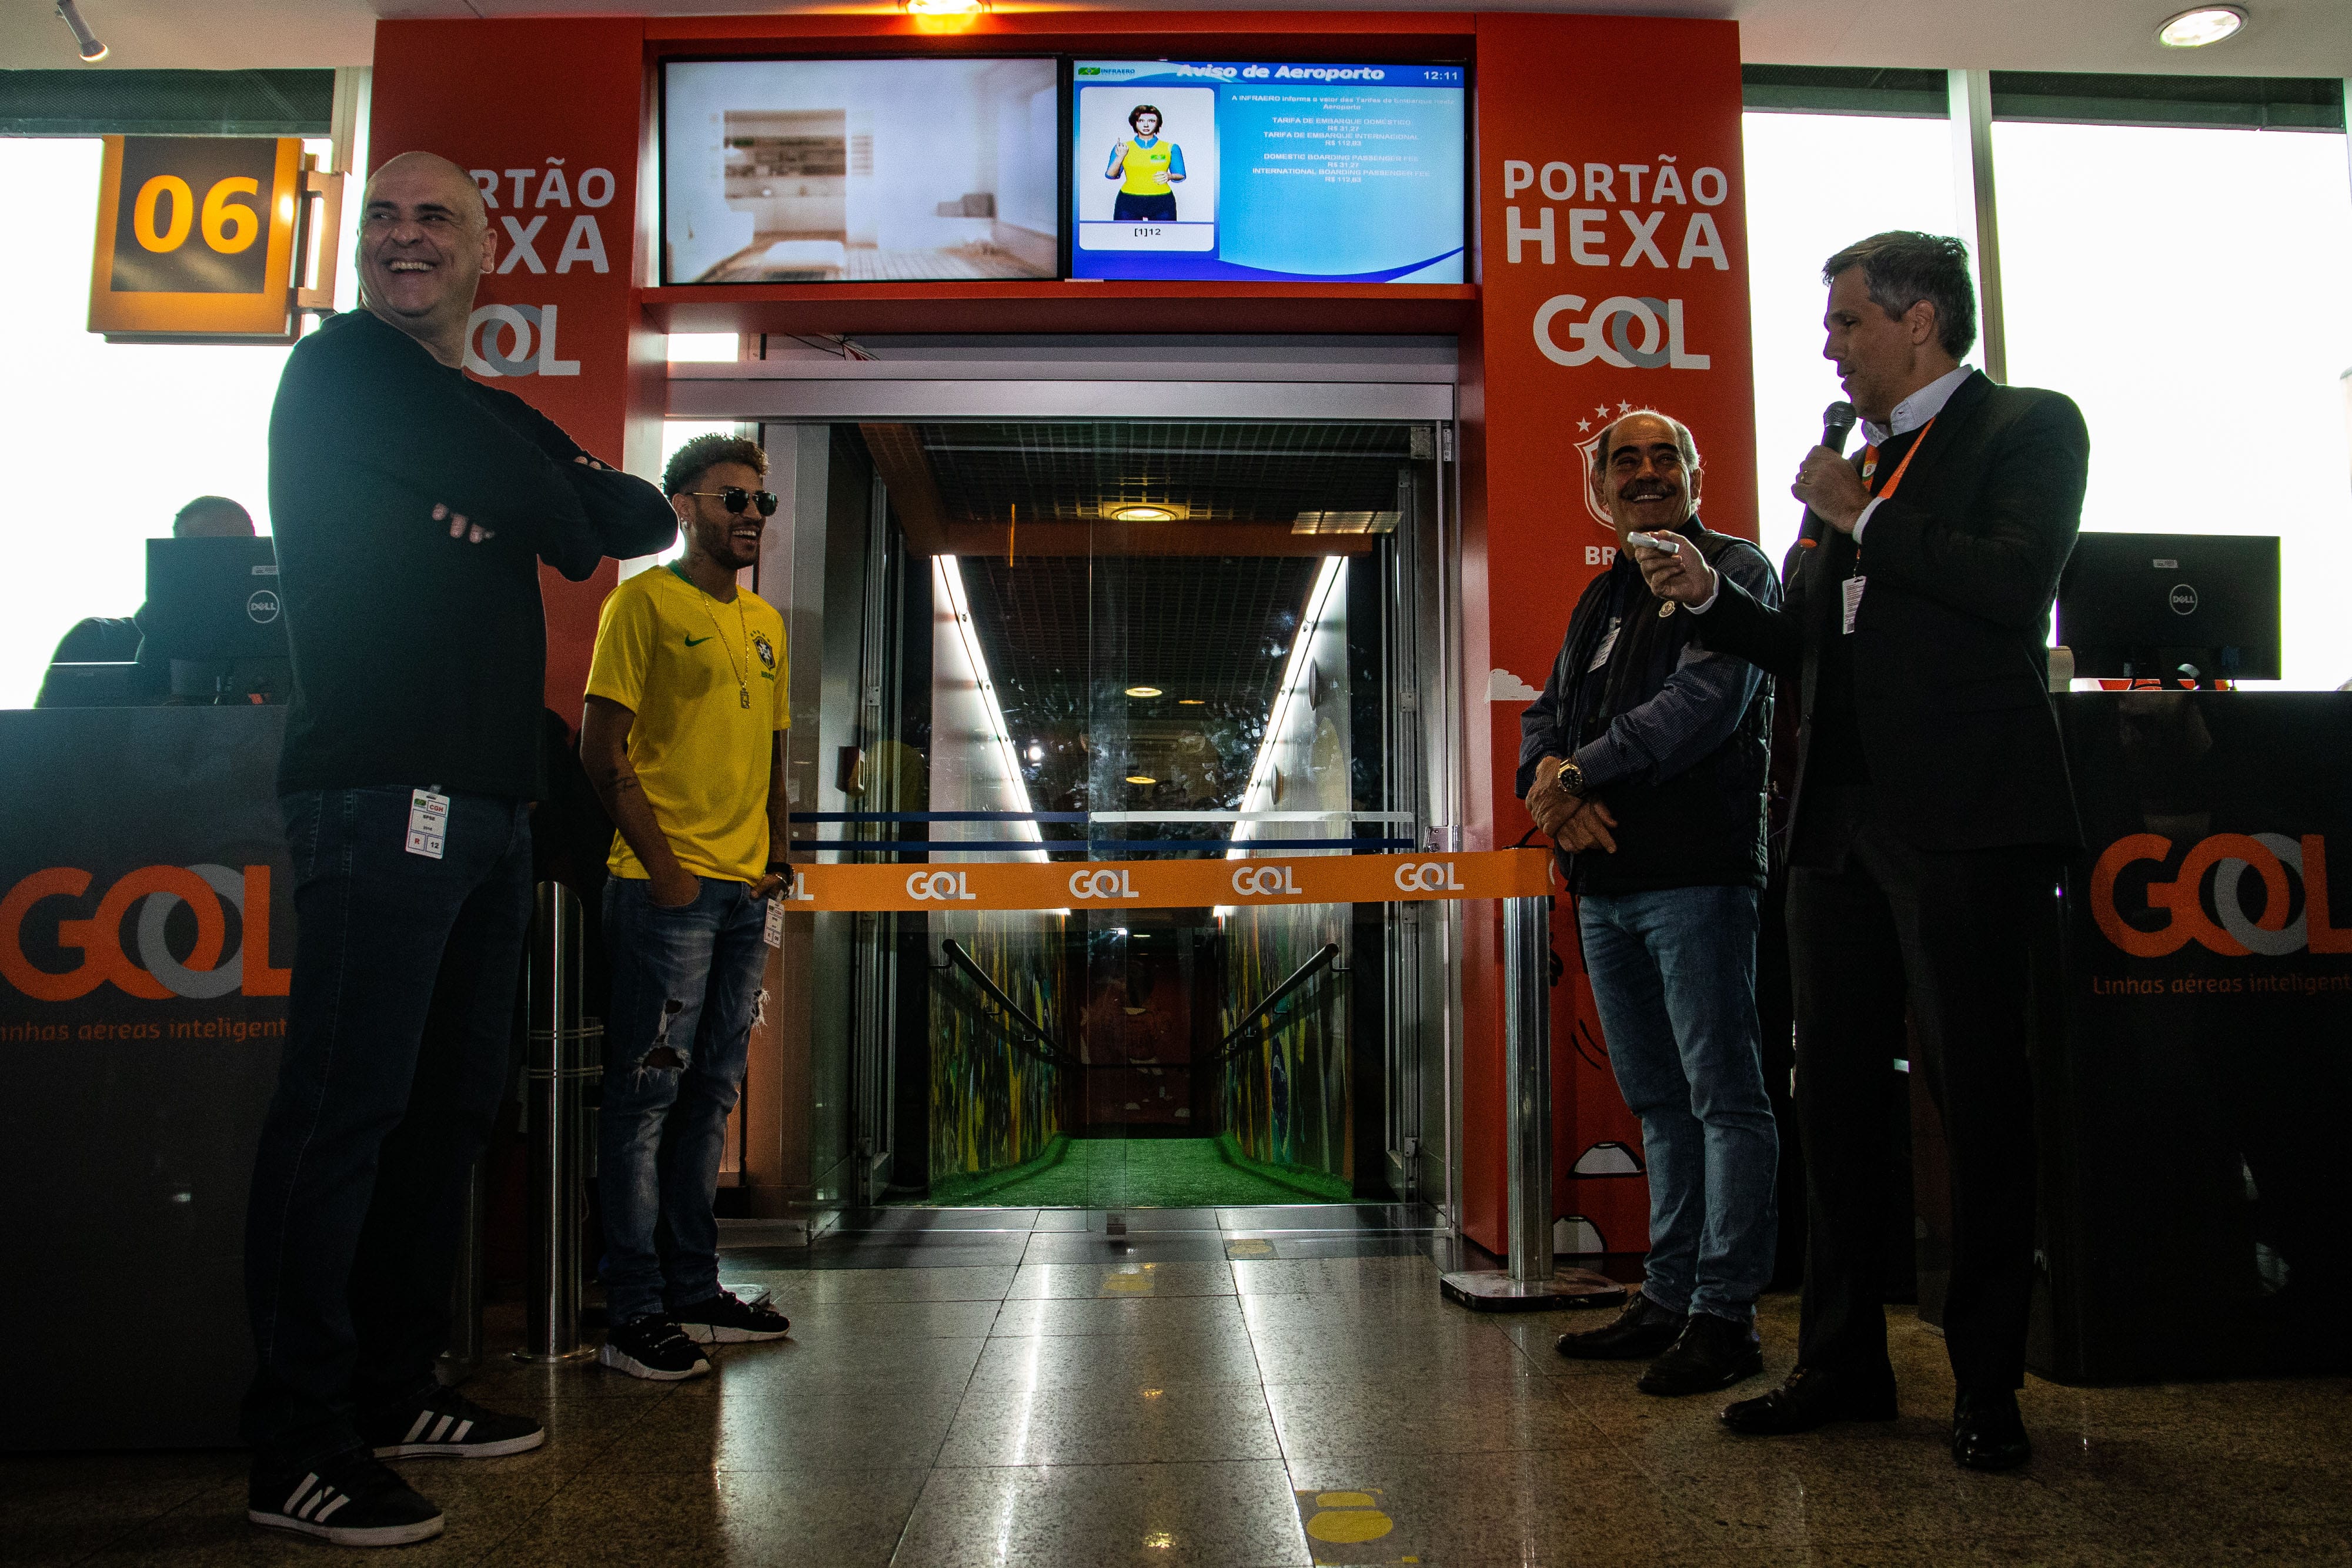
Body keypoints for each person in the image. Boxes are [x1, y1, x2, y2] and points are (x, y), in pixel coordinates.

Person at [240, 151, 674, 1547]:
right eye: (382, 218)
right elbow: (566, 517)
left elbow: (635, 520)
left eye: (433, 219)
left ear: (487, 253)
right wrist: (530, 490)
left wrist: (512, 486)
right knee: (344, 1114)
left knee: (445, 1115)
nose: (402, 239)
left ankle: (396, 1381)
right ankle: (298, 1444)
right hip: (382, 792)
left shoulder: (465, 408)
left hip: (489, 810)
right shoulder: (344, 375)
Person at [1636, 231, 2087, 1473]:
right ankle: (1836, 1360)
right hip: (1828, 825)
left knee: (1976, 1097)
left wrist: (1860, 513)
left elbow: (2012, 586)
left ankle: (1986, 1382)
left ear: (1919, 320)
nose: (1826, 342)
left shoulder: (2025, 428)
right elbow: (1807, 646)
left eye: (1843, 320)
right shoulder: (1858, 464)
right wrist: (1708, 599)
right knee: (1828, 1098)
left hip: (1960, 822)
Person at [1519, 411, 1782, 1397]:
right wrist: (1550, 787)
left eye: (1663, 456)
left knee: (1725, 1098)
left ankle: (1727, 1315)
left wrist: (1577, 774)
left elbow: (1701, 709)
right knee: (1660, 1104)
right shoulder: (1602, 597)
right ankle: (1667, 1300)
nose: (1643, 473)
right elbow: (1546, 715)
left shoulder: (1737, 572)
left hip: (1698, 878)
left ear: (1695, 475)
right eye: (1622, 460)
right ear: (1599, 489)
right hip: (1607, 886)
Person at [580, 434, 793, 1380]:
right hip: (666, 891)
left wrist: (779, 851)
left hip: (745, 893)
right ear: (684, 506)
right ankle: (631, 1308)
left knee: (709, 1094)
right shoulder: (642, 605)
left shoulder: (767, 624)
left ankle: (693, 1285)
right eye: (731, 499)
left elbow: (775, 755)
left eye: (760, 503)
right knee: (645, 1100)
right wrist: (667, 870)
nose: (750, 516)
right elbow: (601, 748)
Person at [34, 496, 256, 706]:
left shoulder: (285, 654)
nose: (213, 569)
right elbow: (43, 740)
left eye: (230, 554)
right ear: (171, 561)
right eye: (196, 554)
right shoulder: (95, 643)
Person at [1105, 104, 1186, 222]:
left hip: (1162, 201)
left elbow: (1181, 175)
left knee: (1165, 239)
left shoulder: (1171, 148)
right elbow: (1110, 175)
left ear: (1158, 123)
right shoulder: (1123, 147)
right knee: (1125, 238)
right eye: (1141, 121)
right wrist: (1120, 157)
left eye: (1152, 121)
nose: (1146, 125)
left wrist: (1170, 176)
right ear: (1135, 123)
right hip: (1129, 201)